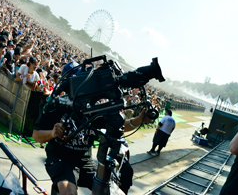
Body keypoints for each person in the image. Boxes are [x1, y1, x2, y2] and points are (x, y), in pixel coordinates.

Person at [32, 62, 152, 195]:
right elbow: (36, 135)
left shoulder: (94, 107)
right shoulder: (57, 105)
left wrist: (140, 119)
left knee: (113, 192)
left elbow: (119, 125)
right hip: (60, 158)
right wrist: (53, 133)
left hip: (85, 162)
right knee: (68, 192)